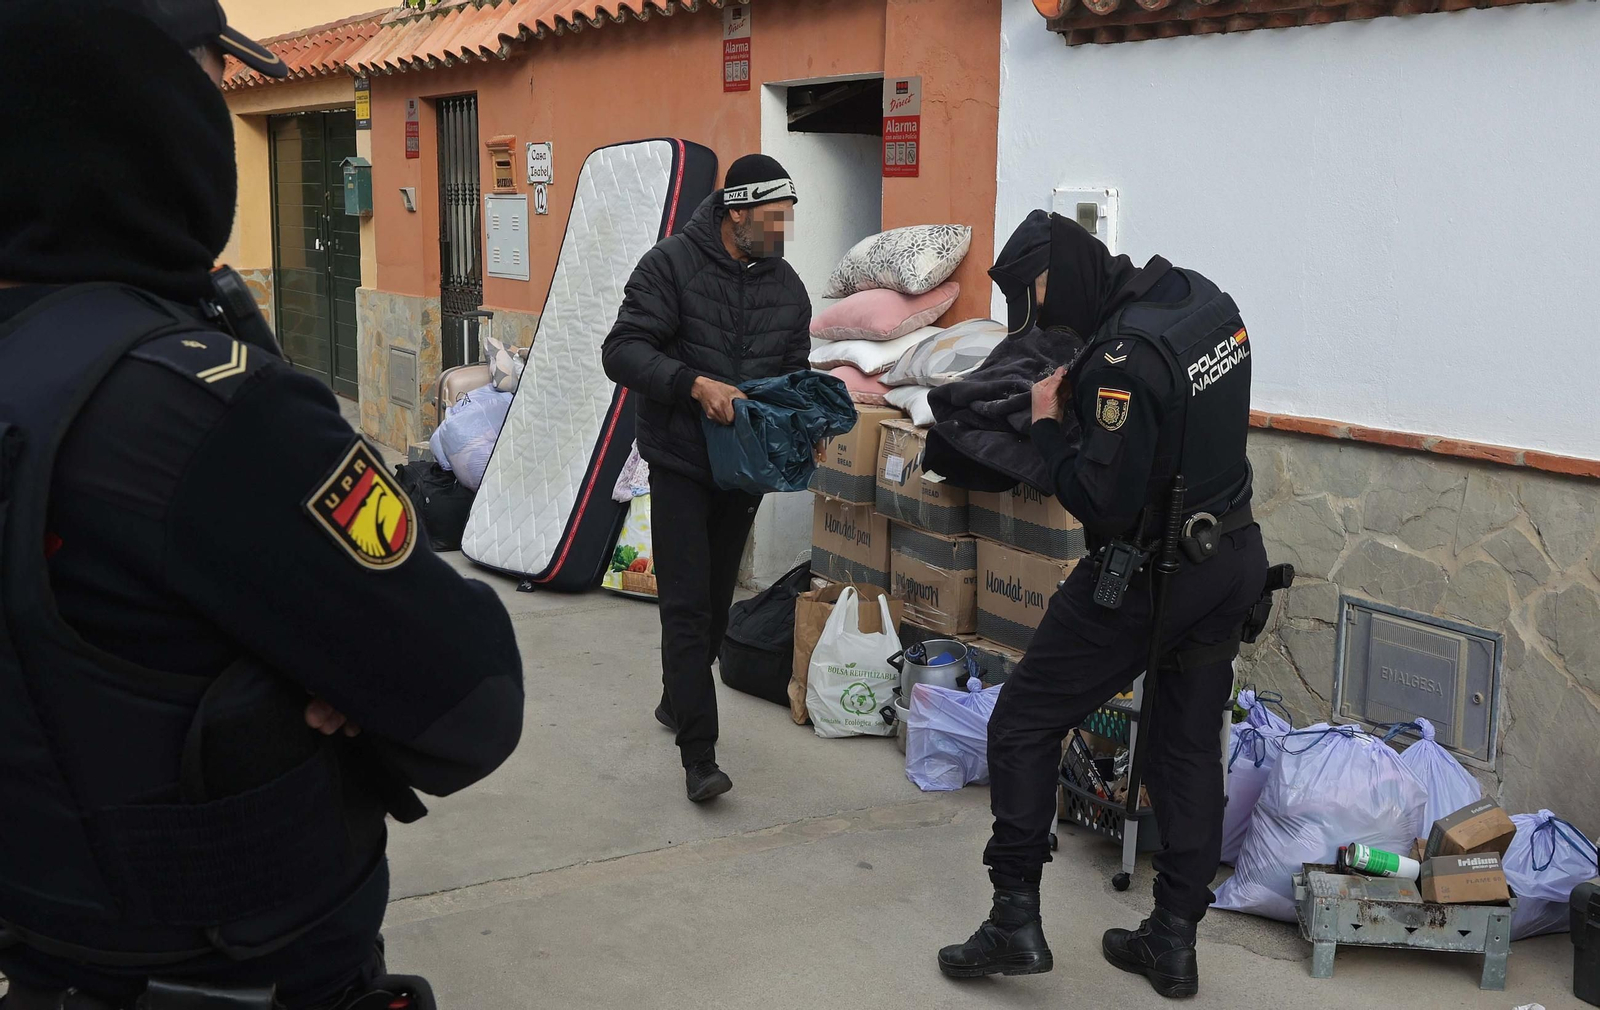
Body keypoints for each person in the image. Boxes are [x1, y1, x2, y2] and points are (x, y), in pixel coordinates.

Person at [0, 2, 525, 1007]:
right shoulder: (200, 405)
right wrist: (314, 666)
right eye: (204, 83)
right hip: (233, 960)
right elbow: (468, 697)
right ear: (135, 109)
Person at [937, 211, 1269, 999]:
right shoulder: (1202, 300)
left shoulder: (1118, 360)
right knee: (1185, 750)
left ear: (1057, 276)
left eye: (1038, 300)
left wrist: (1051, 428)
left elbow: (1103, 503)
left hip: (1147, 574)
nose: (1043, 318)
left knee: (1021, 722)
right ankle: (1173, 943)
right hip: (1232, 556)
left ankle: (1013, 920)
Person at [602, 154, 813, 803]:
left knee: (717, 609)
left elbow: (792, 373)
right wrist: (692, 384)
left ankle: (676, 699)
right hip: (681, 463)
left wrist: (805, 421)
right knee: (688, 609)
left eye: (789, 218)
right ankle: (700, 757)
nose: (783, 231)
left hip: (740, 474)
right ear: (737, 212)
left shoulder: (789, 288)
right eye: (773, 218)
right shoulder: (668, 267)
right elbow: (622, 351)